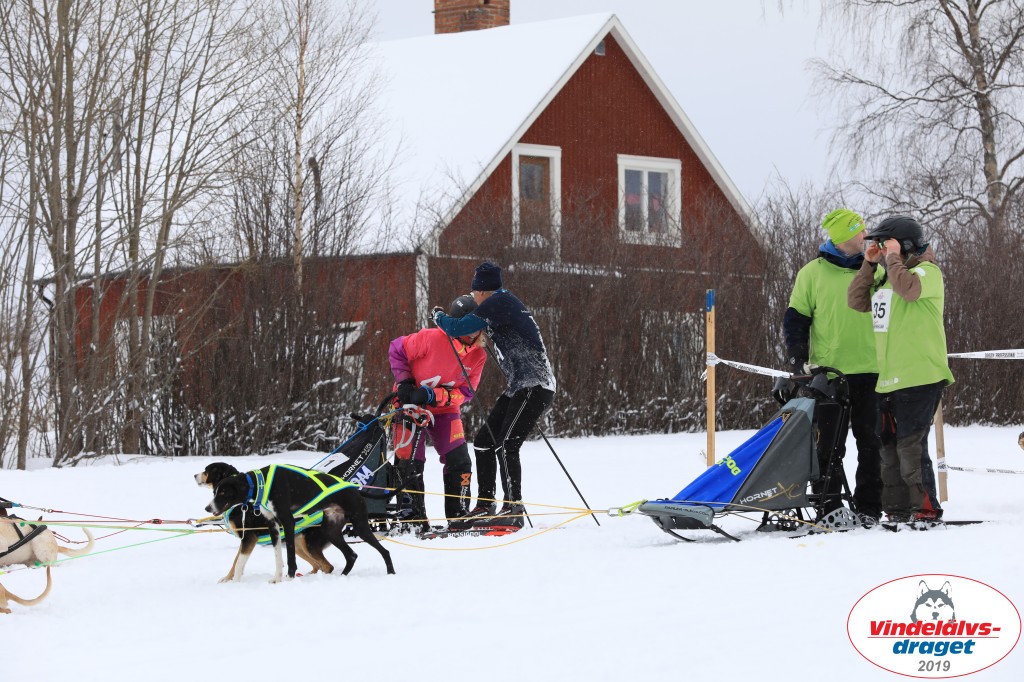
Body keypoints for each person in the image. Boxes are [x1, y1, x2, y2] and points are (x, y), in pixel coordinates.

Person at [431, 262, 556, 529]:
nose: (473, 297)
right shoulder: (501, 303)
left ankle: (513, 507)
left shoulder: (499, 302)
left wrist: (439, 316)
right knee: (484, 441)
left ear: (482, 290)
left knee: (508, 443)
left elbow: (456, 328)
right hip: (519, 386)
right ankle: (485, 504)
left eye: (474, 291)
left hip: (535, 386)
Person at [847, 215, 954, 522]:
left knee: (910, 448)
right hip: (889, 378)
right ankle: (896, 510)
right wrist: (869, 265)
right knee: (888, 450)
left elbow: (909, 290)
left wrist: (892, 258)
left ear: (904, 245)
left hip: (921, 375)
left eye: (887, 243)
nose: (882, 249)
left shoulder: (928, 272)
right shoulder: (887, 276)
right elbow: (856, 301)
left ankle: (925, 510)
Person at [784, 208, 882, 520]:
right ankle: (829, 506)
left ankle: (869, 507)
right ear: (842, 239)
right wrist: (799, 358)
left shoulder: (876, 271)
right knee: (827, 448)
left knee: (871, 444)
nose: (865, 235)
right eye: (859, 231)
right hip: (829, 375)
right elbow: (795, 319)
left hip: (873, 371)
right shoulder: (811, 273)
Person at [388, 295, 487, 530]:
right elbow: (396, 348)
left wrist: (435, 396)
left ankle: (458, 513)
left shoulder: (479, 355)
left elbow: (467, 393)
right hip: (409, 406)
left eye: (477, 327)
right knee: (410, 460)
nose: (473, 333)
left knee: (459, 460)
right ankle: (412, 517)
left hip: (446, 410)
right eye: (468, 327)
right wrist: (405, 383)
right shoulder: (431, 338)